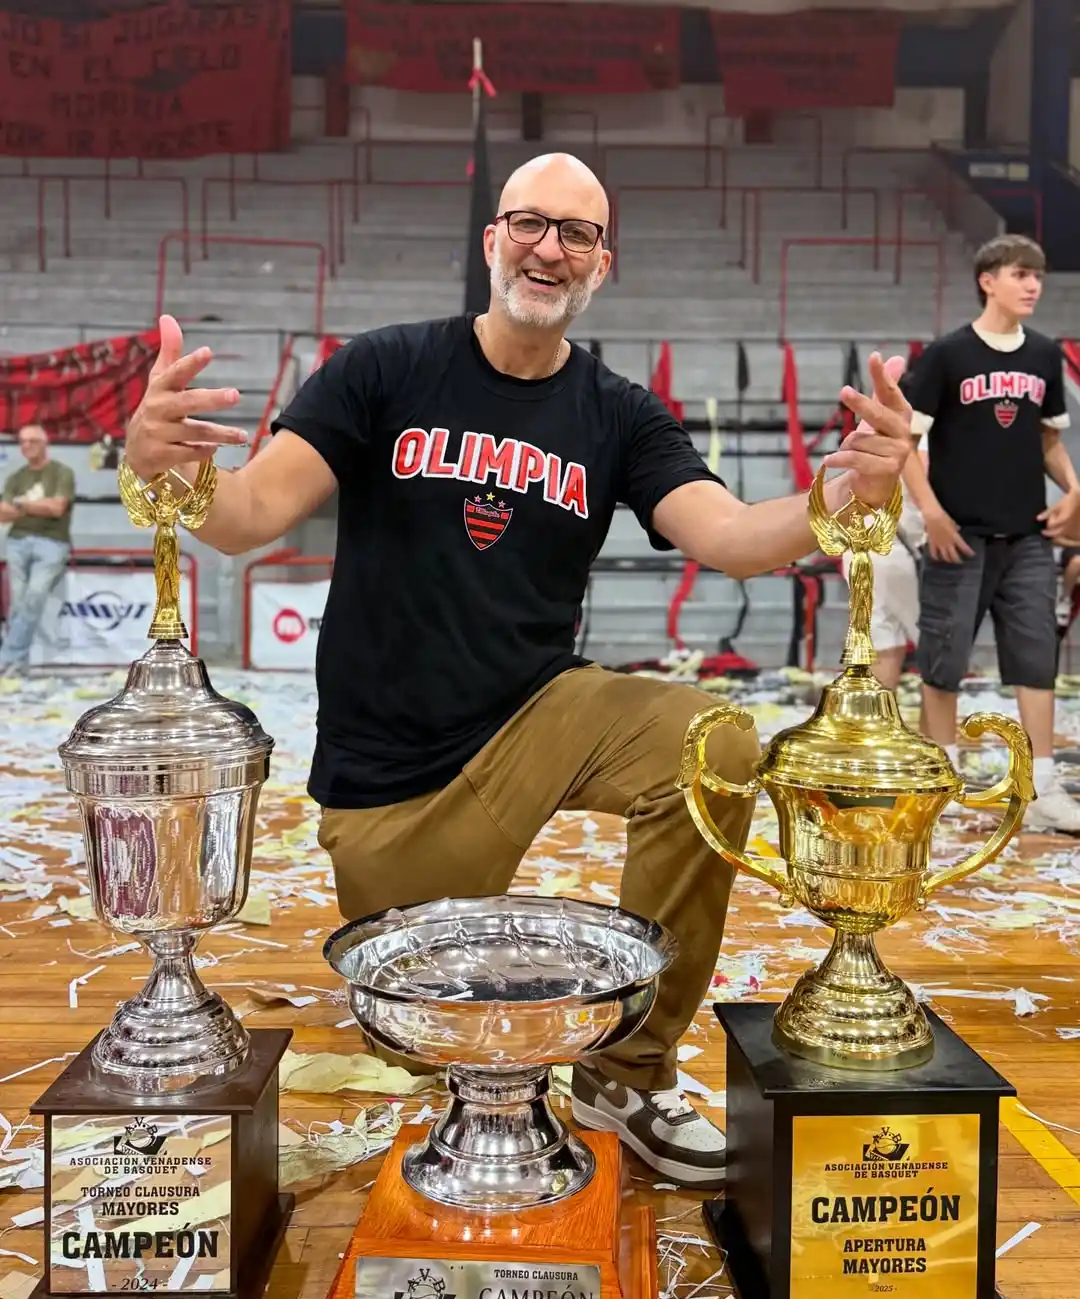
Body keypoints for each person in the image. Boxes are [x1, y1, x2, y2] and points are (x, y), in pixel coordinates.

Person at [121, 153, 912, 1186]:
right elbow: (249, 515)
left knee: (714, 739)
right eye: (530, 224)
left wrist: (837, 496)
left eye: (576, 233)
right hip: (392, 786)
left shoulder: (618, 413)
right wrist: (171, 468)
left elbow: (727, 535)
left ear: (602, 265)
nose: (550, 247)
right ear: (492, 240)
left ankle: (626, 1072)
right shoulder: (384, 368)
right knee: (427, 1049)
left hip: (541, 715)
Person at [903, 234, 1080, 834]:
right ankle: (942, 778)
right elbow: (901, 441)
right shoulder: (948, 355)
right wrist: (930, 512)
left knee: (1037, 660)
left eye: (1039, 275)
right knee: (943, 662)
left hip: (1027, 535)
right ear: (988, 280)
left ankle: (1040, 787)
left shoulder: (1044, 354)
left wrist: (1075, 490)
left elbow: (1048, 440)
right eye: (1021, 274)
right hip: (959, 535)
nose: (1033, 285)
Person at [841, 433, 928, 690]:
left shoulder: (884, 425)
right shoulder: (934, 425)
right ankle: (935, 731)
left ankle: (878, 728)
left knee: (881, 645)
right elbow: (925, 468)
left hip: (862, 538)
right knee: (938, 656)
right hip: (902, 548)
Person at [0, 424, 76, 677]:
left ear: (45, 443)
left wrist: (20, 505)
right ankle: (17, 666)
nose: (26, 446)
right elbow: (2, 513)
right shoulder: (16, 477)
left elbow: (57, 508)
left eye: (32, 441)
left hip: (52, 542)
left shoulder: (61, 472)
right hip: (17, 541)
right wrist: (33, 506)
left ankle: (6, 658)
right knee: (18, 604)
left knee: (33, 598)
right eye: (22, 442)